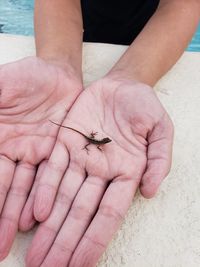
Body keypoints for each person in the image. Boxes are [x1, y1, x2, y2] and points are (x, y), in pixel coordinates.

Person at [0, 0, 199, 266]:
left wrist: (131, 76)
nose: (104, 142)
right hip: (81, 28)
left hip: (148, 30)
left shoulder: (98, 140)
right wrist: (58, 62)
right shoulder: (96, 140)